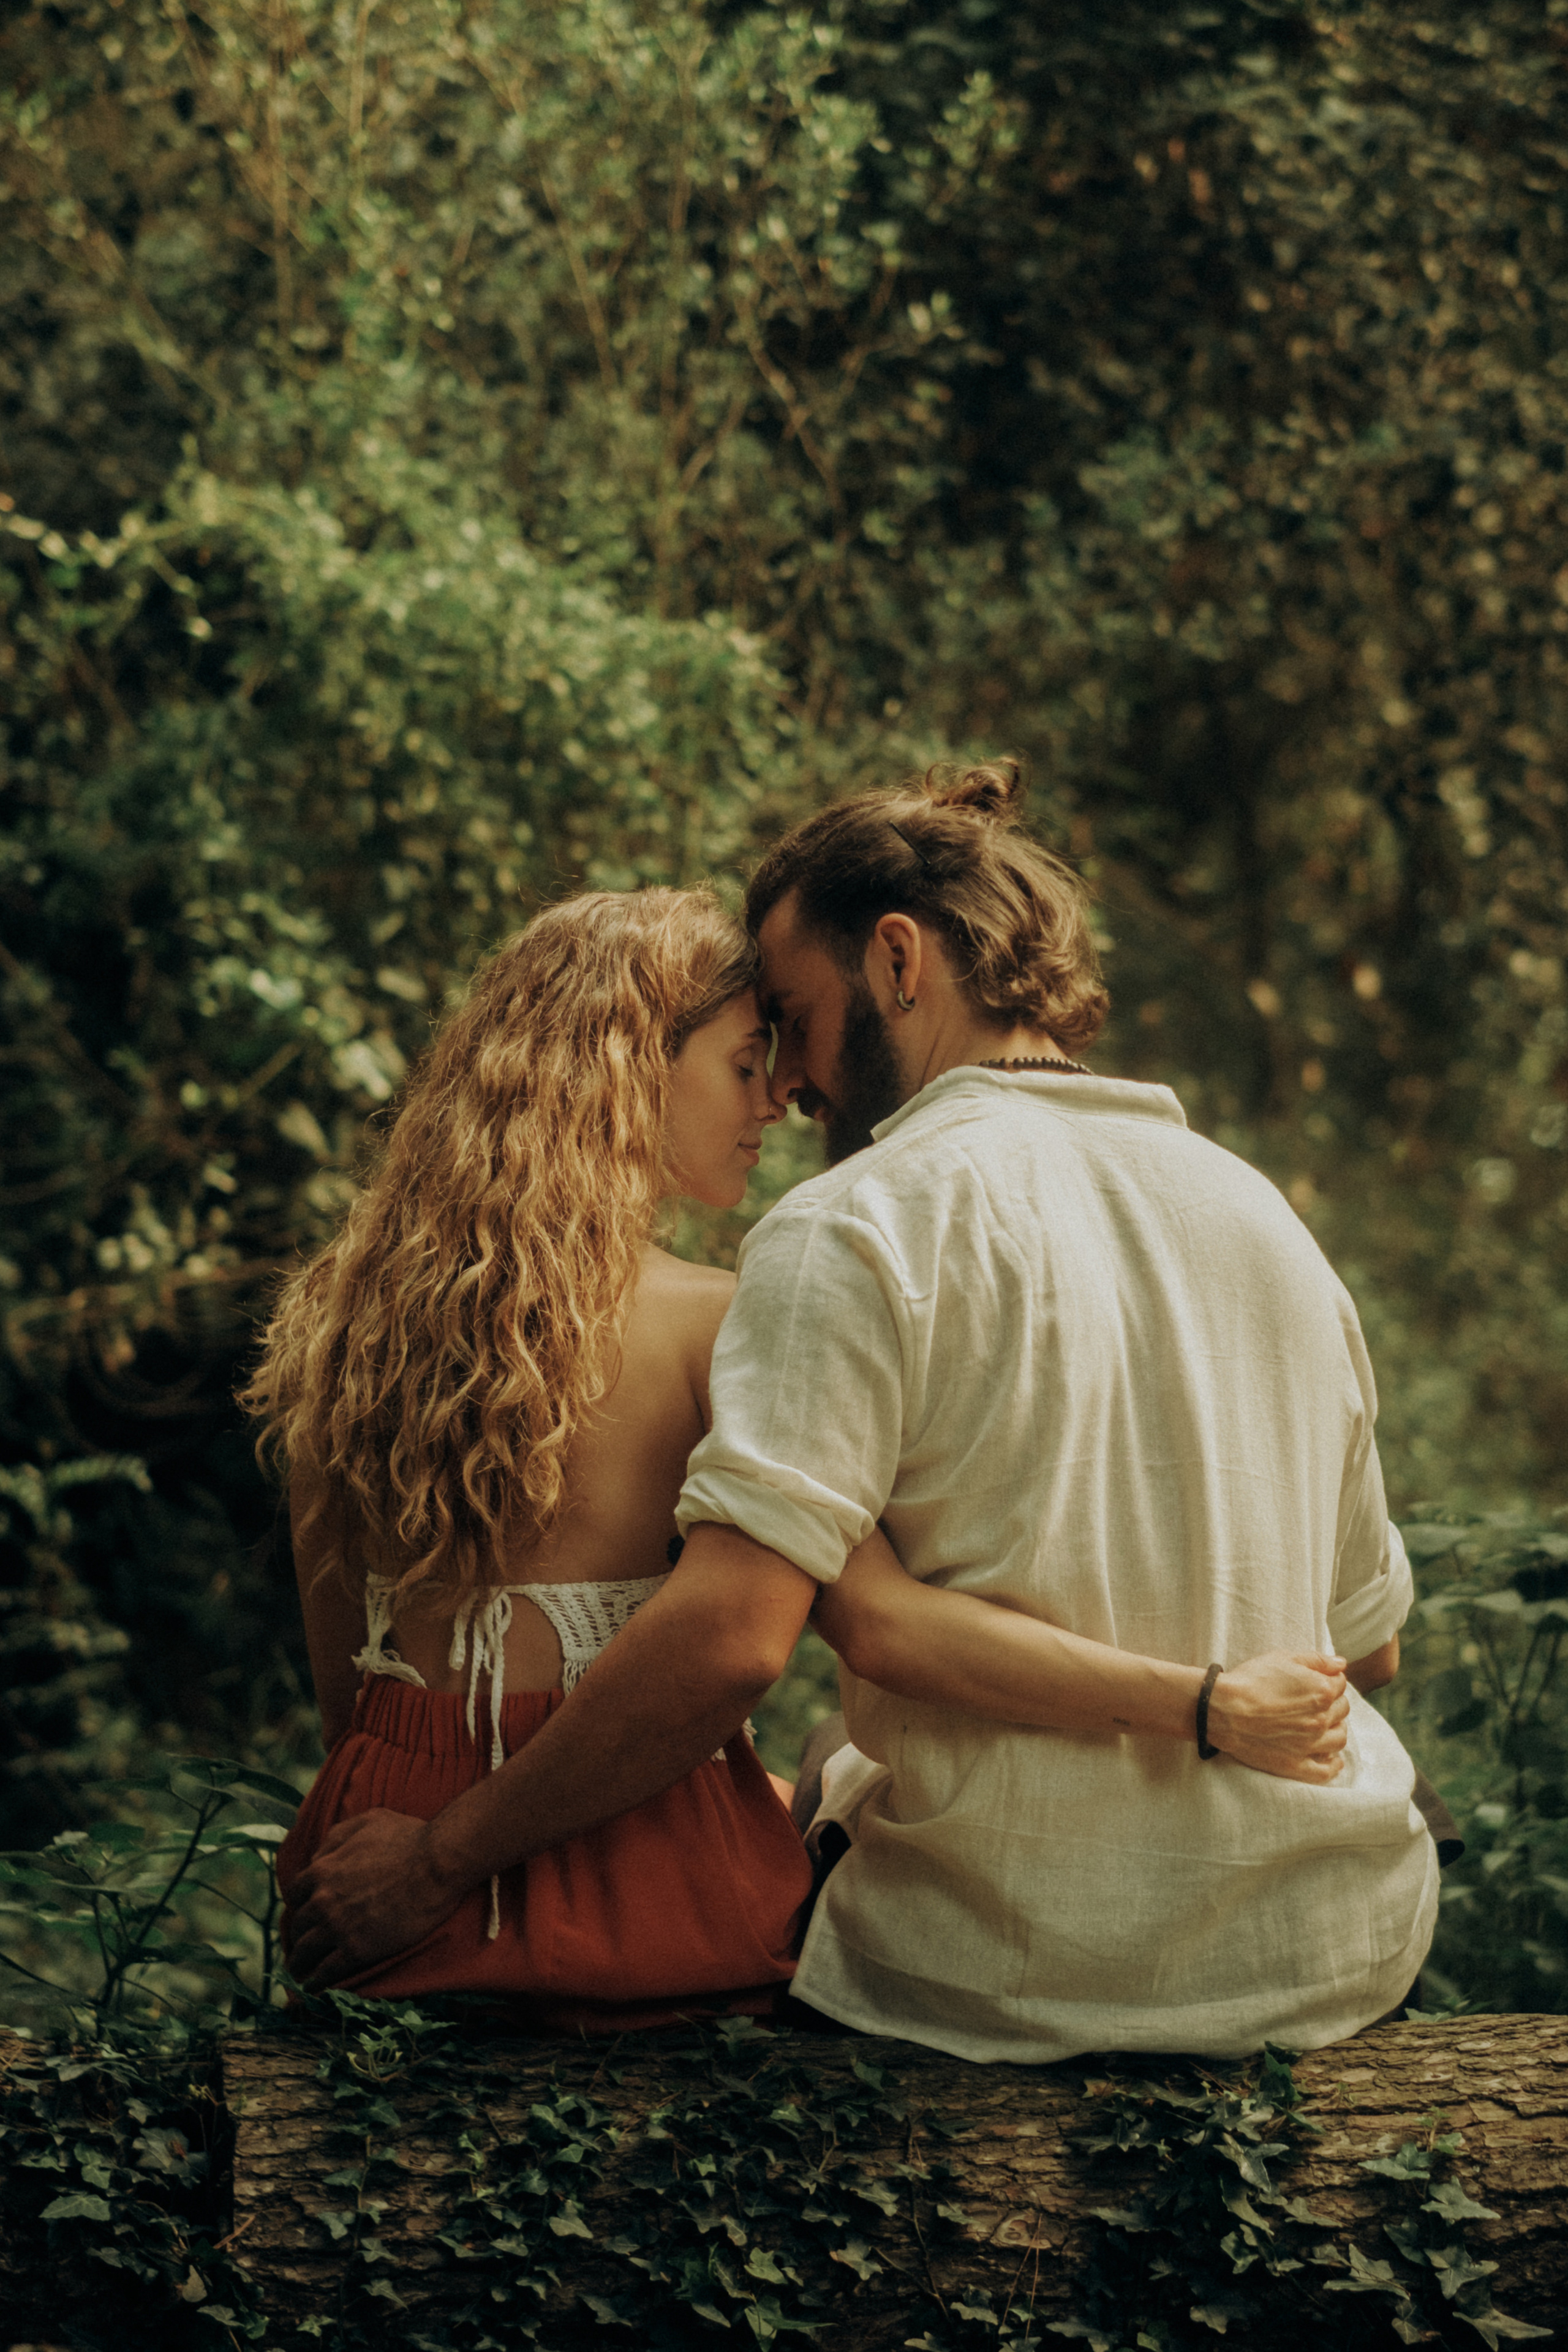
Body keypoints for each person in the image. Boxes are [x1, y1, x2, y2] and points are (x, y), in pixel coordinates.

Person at [283, 777, 1432, 2064]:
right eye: (754, 1047)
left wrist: (439, 1849)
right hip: (1324, 1953)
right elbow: (1364, 1654)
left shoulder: (853, 1228)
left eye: (792, 1022)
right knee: (828, 1766)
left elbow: (745, 1637)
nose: (791, 1085)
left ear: (895, 957)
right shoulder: (1264, 1220)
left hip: (993, 1966)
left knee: (837, 1765)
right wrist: (1213, 1698)